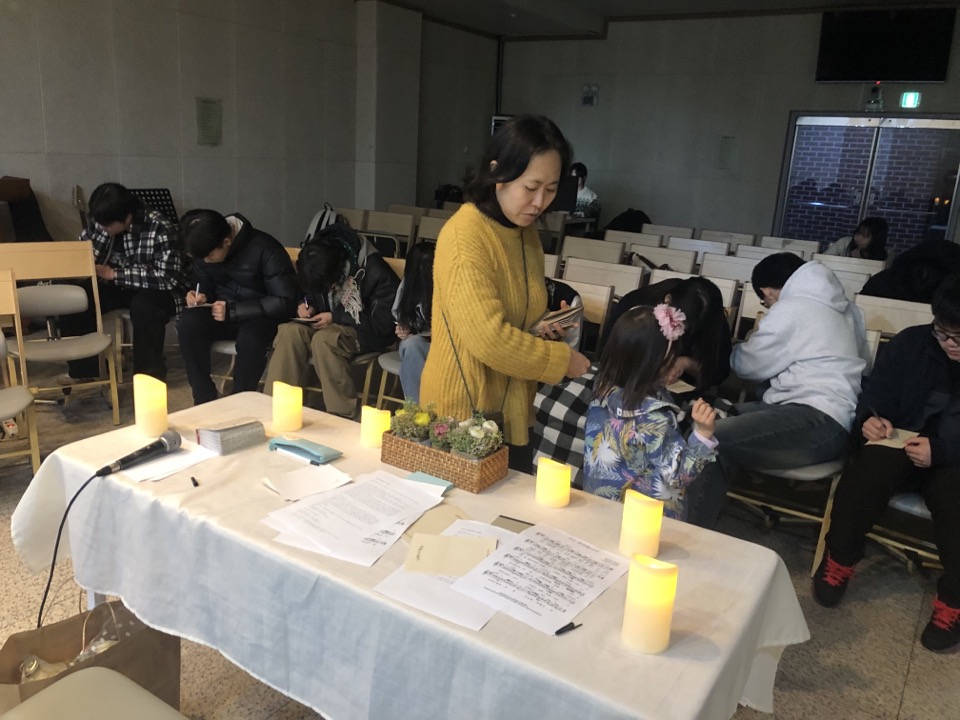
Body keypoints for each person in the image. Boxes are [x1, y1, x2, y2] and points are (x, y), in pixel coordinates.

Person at [420, 115, 591, 471]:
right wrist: (560, 360)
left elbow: (514, 318)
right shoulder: (466, 235)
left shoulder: (525, 233)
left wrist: (544, 326)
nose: (540, 202)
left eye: (551, 189)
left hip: (513, 412)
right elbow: (488, 339)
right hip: (464, 414)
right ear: (497, 172)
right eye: (531, 187)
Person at [814, 273, 960, 652]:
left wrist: (942, 450)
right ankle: (840, 557)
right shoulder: (913, 342)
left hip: (952, 457)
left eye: (958, 338)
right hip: (903, 438)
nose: (949, 344)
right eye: (942, 333)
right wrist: (870, 417)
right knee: (868, 467)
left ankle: (953, 599)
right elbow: (877, 389)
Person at [692, 253, 870, 527]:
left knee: (710, 437)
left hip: (816, 420)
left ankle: (689, 528)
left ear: (766, 291)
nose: (768, 306)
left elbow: (748, 366)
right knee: (708, 420)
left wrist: (737, 346)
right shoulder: (849, 309)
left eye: (765, 302)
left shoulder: (791, 308)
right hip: (833, 421)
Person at [583, 305, 718, 520]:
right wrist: (703, 434)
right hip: (644, 519)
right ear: (656, 362)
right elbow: (678, 476)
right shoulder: (654, 416)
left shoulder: (602, 388)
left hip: (600, 506)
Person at [264, 224, 399, 418]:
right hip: (325, 323)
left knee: (325, 341)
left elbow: (383, 326)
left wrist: (336, 316)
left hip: (363, 330)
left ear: (338, 270)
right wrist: (307, 305)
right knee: (290, 332)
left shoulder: (375, 271)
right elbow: (309, 291)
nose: (330, 289)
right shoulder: (313, 259)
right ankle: (274, 407)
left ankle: (341, 415)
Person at [59, 182, 186, 383]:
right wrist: (78, 266)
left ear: (127, 218)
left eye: (108, 225)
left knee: (145, 307)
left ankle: (148, 379)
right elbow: (84, 249)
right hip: (116, 284)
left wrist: (114, 274)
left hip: (157, 288)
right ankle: (86, 371)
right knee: (75, 299)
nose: (102, 228)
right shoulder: (102, 219)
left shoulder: (159, 226)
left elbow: (167, 278)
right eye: (99, 223)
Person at [177, 209, 298, 405]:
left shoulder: (266, 248)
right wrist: (199, 294)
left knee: (251, 339)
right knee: (188, 323)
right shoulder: (206, 246)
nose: (206, 261)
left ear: (226, 242)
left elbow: (285, 300)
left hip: (260, 316)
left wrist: (233, 311)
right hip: (222, 312)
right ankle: (203, 398)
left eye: (210, 256)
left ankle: (240, 401)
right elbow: (203, 280)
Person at [602, 276, 732, 390]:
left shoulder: (712, 320)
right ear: (668, 300)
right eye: (680, 323)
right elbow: (609, 351)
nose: (682, 331)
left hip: (678, 391)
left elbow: (719, 372)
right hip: (627, 381)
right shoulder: (638, 303)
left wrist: (687, 363)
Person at [392, 242, 434, 403]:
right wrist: (403, 330)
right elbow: (400, 317)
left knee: (413, 346)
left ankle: (423, 407)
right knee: (412, 345)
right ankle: (415, 409)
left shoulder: (450, 286)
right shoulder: (408, 284)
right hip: (418, 342)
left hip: (444, 346)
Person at [823, 217, 889, 260]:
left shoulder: (883, 255)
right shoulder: (844, 243)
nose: (858, 238)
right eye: (858, 233)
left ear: (876, 239)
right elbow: (824, 259)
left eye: (865, 236)